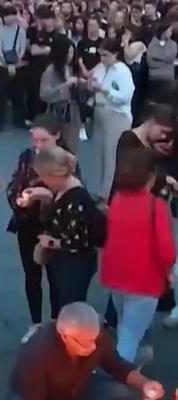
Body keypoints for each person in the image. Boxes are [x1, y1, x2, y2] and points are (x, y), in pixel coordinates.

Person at [6, 113, 80, 343]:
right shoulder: (27, 156)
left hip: (55, 225)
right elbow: (14, 185)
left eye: (43, 140)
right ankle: (36, 323)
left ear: (56, 136)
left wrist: (47, 195)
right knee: (32, 274)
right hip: (28, 223)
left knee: (57, 276)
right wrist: (20, 199)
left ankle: (58, 322)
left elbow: (76, 195)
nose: (37, 145)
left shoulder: (68, 160)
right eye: (35, 139)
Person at [102, 147, 176, 363]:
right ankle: (121, 372)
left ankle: (137, 357)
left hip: (116, 275)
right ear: (151, 177)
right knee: (130, 335)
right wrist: (168, 273)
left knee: (125, 324)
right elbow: (166, 250)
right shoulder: (157, 206)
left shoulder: (117, 200)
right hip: (145, 280)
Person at [9, 302, 165, 400]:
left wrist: (145, 383)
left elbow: (118, 366)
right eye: (85, 343)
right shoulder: (36, 354)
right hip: (36, 394)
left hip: (79, 386)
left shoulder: (97, 335)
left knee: (125, 393)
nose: (93, 347)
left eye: (95, 339)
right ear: (65, 337)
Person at [33, 147, 106, 317]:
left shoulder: (76, 200)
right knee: (62, 305)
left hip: (75, 264)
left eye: (44, 177)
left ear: (54, 175)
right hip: (65, 261)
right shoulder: (64, 191)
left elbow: (78, 240)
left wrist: (50, 242)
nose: (43, 181)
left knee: (70, 308)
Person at [89, 38, 135, 202]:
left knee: (111, 156)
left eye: (106, 55)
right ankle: (101, 191)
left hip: (117, 115)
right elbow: (91, 82)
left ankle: (109, 195)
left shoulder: (123, 71)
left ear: (115, 54)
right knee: (100, 154)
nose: (102, 59)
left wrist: (104, 89)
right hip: (100, 112)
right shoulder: (100, 68)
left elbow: (125, 96)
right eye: (101, 55)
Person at [39, 37, 83, 155]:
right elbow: (44, 94)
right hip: (57, 113)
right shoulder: (51, 70)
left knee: (71, 148)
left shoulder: (71, 68)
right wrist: (65, 85)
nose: (71, 55)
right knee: (55, 150)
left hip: (72, 113)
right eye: (69, 52)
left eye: (72, 52)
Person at [0, 6, 27, 131]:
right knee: (1, 94)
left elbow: (22, 48)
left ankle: (19, 120)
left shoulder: (21, 31)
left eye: (11, 15)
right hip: (3, 65)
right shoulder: (0, 31)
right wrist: (5, 61)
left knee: (18, 94)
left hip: (18, 65)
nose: (8, 18)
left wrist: (16, 61)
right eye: (6, 15)